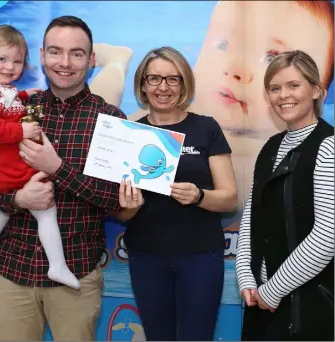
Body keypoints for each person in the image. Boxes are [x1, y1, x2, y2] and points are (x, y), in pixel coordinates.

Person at [0, 16, 126, 341]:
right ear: (42, 56)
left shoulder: (110, 119)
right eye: (56, 51)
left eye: (76, 53)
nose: (65, 62)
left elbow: (114, 200)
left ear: (91, 60)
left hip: (75, 274)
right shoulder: (19, 108)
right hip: (13, 270)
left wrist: (58, 168)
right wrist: (16, 199)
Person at [128, 0, 334, 212]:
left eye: (271, 57)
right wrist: (127, 206)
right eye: (222, 45)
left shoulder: (211, 130)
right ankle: (116, 65)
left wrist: (199, 196)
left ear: (319, 89)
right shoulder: (139, 128)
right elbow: (252, 221)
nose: (236, 69)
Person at [114, 46, 238, 341]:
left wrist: (199, 196)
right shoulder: (129, 134)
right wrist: (130, 207)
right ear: (142, 84)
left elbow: (230, 198)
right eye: (154, 78)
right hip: (146, 255)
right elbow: (118, 212)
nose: (163, 87)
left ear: (184, 84)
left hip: (200, 256)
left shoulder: (206, 128)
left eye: (173, 79)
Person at [236, 50, 334, 340]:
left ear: (316, 90)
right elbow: (251, 218)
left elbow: (327, 235)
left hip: (308, 306)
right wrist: (245, 276)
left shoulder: (328, 147)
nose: (283, 95)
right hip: (263, 305)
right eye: (275, 88)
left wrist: (274, 289)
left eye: (294, 85)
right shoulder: (270, 147)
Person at [0, 24, 80, 290]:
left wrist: (23, 95)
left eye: (17, 61)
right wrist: (21, 129)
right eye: (2, 59)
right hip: (11, 169)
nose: (10, 67)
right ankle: (57, 265)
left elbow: (7, 102)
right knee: (46, 212)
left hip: (0, 171)